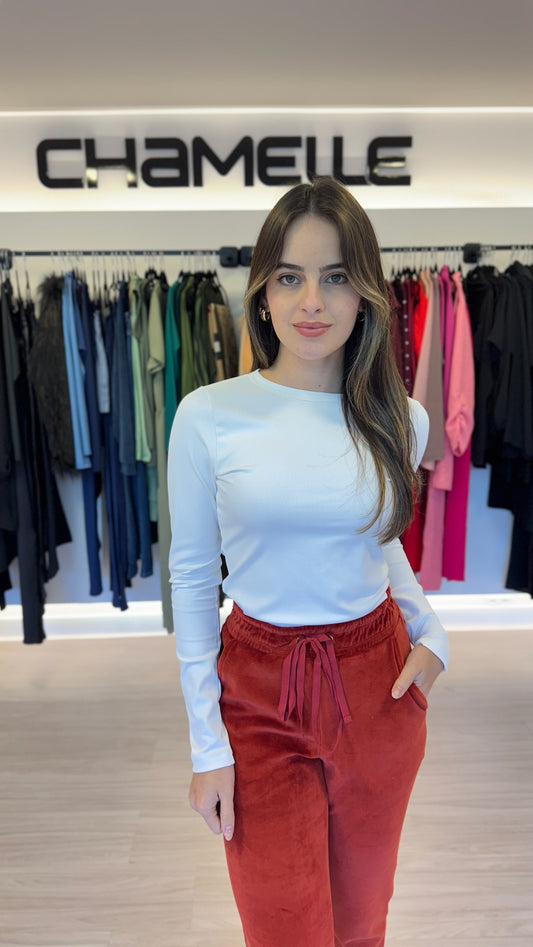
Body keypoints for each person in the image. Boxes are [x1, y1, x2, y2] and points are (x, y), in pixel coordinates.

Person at [167, 176, 449, 947]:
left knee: (361, 924)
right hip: (259, 687)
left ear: (365, 294)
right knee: (283, 926)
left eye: (335, 277)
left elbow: (378, 539)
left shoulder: (400, 418)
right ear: (261, 292)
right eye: (289, 277)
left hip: (376, 679)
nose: (312, 302)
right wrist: (206, 746)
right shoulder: (208, 416)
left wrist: (432, 635)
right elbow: (191, 581)